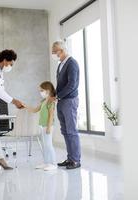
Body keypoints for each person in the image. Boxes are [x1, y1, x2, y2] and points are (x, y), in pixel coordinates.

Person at [52, 41, 81, 170]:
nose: (54, 54)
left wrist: (58, 96)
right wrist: (54, 95)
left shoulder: (72, 63)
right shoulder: (60, 65)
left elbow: (72, 85)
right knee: (65, 131)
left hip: (69, 101)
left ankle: (75, 160)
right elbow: (60, 84)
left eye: (55, 52)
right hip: (61, 101)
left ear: (62, 50)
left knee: (71, 131)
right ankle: (70, 158)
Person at [25, 81, 57, 171]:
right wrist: (25, 107)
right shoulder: (43, 101)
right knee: (44, 145)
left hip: (48, 126)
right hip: (42, 126)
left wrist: (49, 127)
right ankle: (46, 162)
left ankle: (53, 163)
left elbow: (51, 115)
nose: (40, 92)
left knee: (49, 145)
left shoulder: (51, 102)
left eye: (42, 90)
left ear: (48, 90)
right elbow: (35, 110)